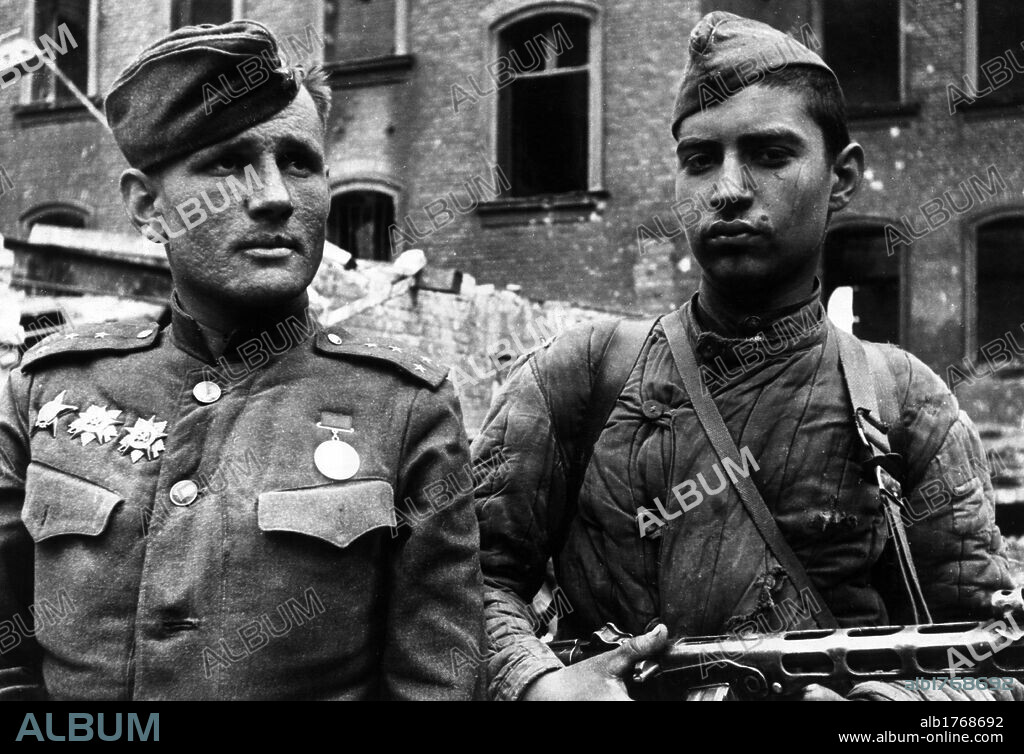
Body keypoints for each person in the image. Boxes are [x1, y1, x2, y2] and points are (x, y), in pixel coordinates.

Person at [472, 11, 1019, 701]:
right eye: (701, 160)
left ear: (842, 178)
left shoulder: (907, 400)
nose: (727, 189)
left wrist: (886, 713)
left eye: (769, 154)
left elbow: (992, 658)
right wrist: (540, 684)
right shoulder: (580, 375)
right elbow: (463, 583)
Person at [0, 20, 482, 701]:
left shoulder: (403, 410)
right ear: (146, 207)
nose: (275, 195)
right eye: (227, 162)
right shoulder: (46, 390)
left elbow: (436, 684)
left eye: (299, 161)